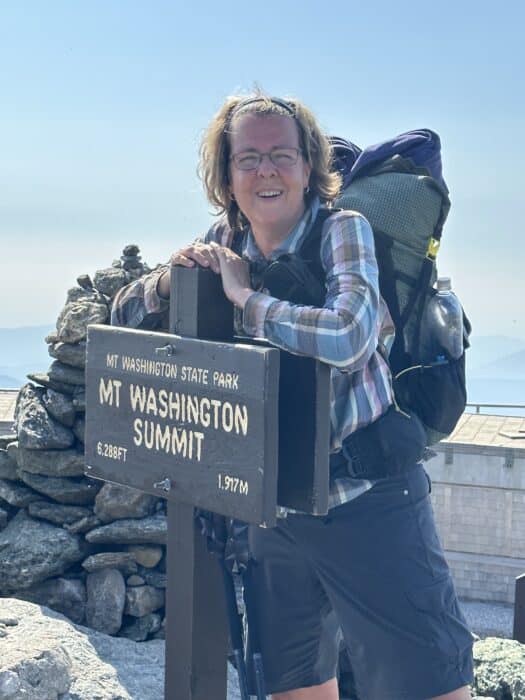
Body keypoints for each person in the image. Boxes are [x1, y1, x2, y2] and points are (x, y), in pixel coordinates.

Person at [111, 92, 474, 700]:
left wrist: (247, 302)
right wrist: (170, 280)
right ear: (226, 176)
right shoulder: (225, 239)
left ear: (310, 166)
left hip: (366, 498)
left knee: (426, 683)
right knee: (295, 685)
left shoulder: (342, 230)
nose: (267, 171)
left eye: (282, 154)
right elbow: (121, 316)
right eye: (248, 158)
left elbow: (351, 335)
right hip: (274, 507)